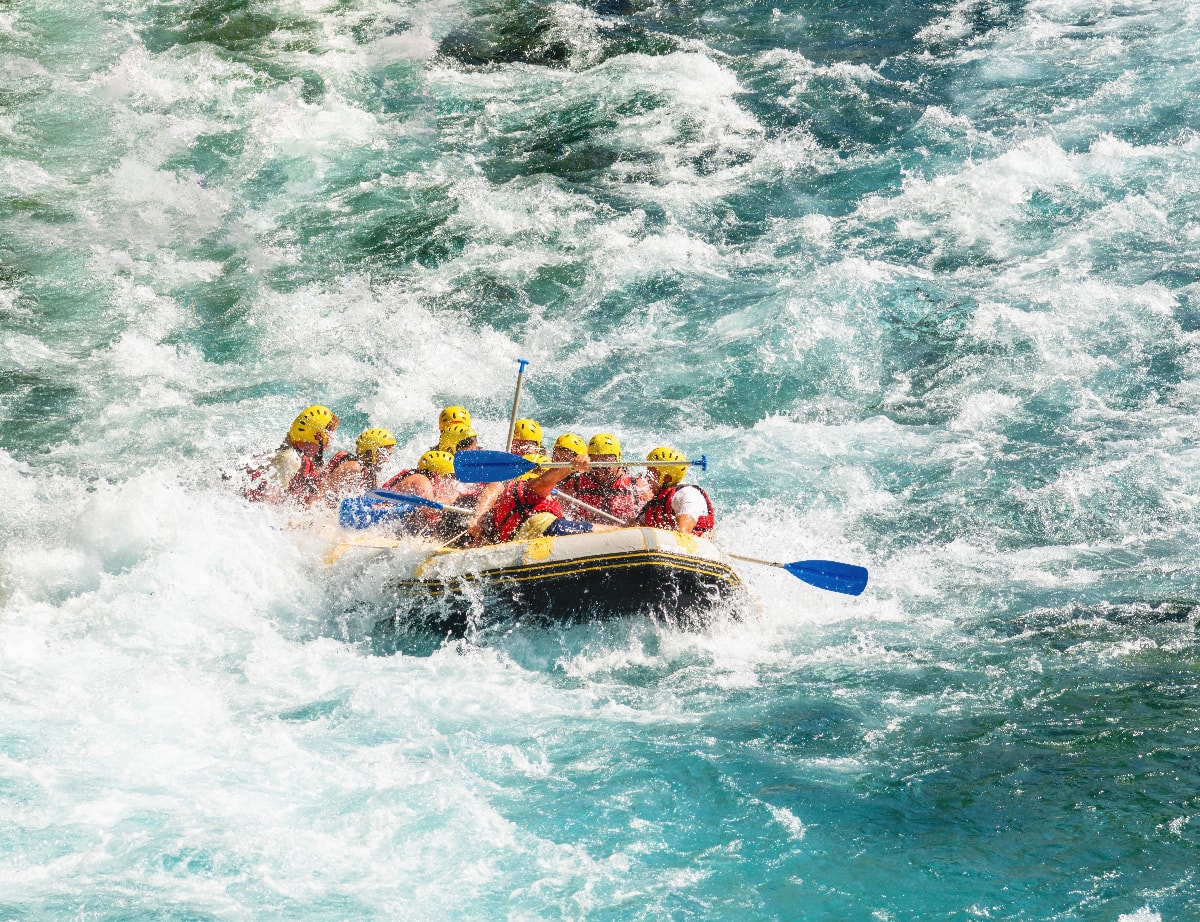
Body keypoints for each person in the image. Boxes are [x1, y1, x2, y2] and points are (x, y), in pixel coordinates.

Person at [469, 452, 596, 545]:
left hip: (515, 541)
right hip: (547, 529)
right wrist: (572, 465)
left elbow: (491, 490)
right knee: (612, 530)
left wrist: (477, 518)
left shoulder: (508, 491)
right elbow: (548, 479)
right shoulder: (532, 488)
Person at [243, 405, 339, 504]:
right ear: (319, 436)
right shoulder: (289, 459)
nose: (334, 436)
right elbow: (266, 506)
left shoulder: (306, 455)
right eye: (331, 432)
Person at [559, 432, 645, 524]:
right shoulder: (575, 484)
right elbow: (562, 515)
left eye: (605, 467)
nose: (600, 472)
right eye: (595, 466)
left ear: (618, 461)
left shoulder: (637, 486)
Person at [637, 446, 715, 535]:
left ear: (667, 478)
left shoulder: (687, 495)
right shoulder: (656, 502)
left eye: (651, 473)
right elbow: (634, 527)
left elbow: (683, 533)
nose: (646, 477)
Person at [315, 427, 396, 503]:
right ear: (371, 453)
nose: (387, 460)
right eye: (385, 455)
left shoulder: (371, 477)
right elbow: (319, 494)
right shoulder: (353, 467)